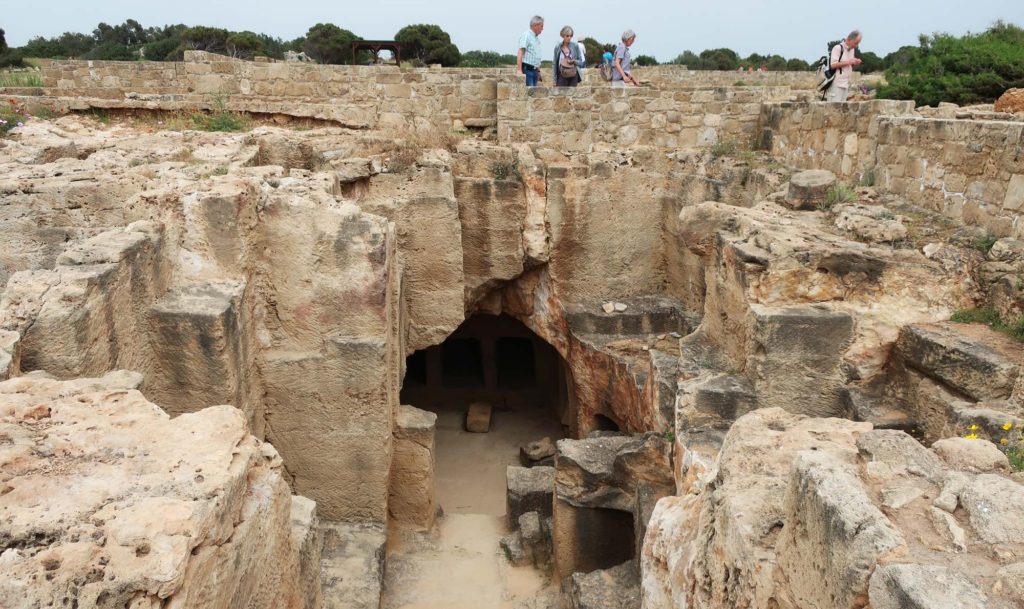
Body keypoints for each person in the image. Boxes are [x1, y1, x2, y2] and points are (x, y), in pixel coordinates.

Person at [828, 30, 862, 102]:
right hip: (836, 85)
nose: (856, 46)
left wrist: (855, 63)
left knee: (841, 111)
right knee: (833, 110)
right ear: (849, 39)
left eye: (858, 43)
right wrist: (849, 62)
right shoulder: (837, 48)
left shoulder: (852, 50)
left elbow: (849, 65)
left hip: (845, 84)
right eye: (856, 43)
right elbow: (833, 65)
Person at [517, 16, 544, 87]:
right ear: (536, 25)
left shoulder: (536, 39)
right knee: (530, 95)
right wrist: (519, 70)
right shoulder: (526, 36)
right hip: (527, 71)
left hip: (534, 71)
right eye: (541, 26)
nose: (542, 29)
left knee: (533, 95)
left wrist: (538, 71)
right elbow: (520, 51)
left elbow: (536, 55)